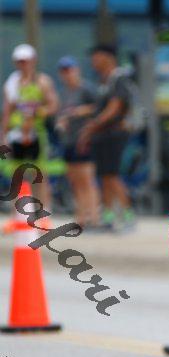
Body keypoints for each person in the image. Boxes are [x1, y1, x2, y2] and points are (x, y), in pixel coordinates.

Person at [77, 44, 135, 231]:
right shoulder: (104, 81)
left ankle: (128, 216)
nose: (93, 61)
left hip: (115, 134)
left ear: (109, 58)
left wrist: (93, 125)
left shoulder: (119, 78)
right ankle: (108, 217)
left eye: (97, 57)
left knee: (113, 175)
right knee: (105, 176)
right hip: (103, 135)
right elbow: (100, 107)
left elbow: (114, 108)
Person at [1, 43, 59, 212]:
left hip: (36, 133)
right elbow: (7, 111)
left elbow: (53, 105)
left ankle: (43, 210)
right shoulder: (12, 83)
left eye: (25, 61)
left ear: (33, 60)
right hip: (16, 134)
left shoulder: (42, 82)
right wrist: (3, 134)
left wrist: (38, 112)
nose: (23, 64)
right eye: (20, 61)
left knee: (39, 174)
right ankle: (17, 213)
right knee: (17, 174)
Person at [56, 56, 100, 228]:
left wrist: (82, 111)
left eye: (69, 70)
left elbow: (99, 107)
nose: (67, 74)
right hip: (69, 141)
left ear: (76, 70)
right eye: (64, 71)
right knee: (74, 180)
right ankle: (81, 216)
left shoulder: (86, 89)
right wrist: (62, 122)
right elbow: (62, 113)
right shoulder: (64, 92)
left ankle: (94, 217)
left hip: (84, 139)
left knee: (86, 179)